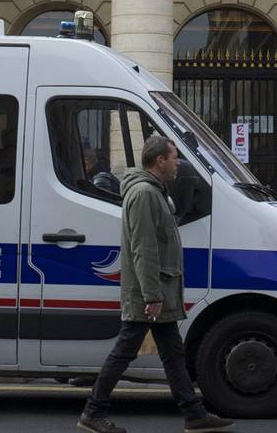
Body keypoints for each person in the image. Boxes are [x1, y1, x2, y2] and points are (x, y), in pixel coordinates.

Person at [77, 134, 232, 433]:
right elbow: (144, 248)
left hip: (158, 291)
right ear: (160, 161)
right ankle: (93, 411)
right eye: (174, 157)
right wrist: (151, 295)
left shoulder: (156, 191)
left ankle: (194, 413)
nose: (178, 163)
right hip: (149, 293)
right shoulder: (145, 194)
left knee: (173, 354)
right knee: (125, 350)